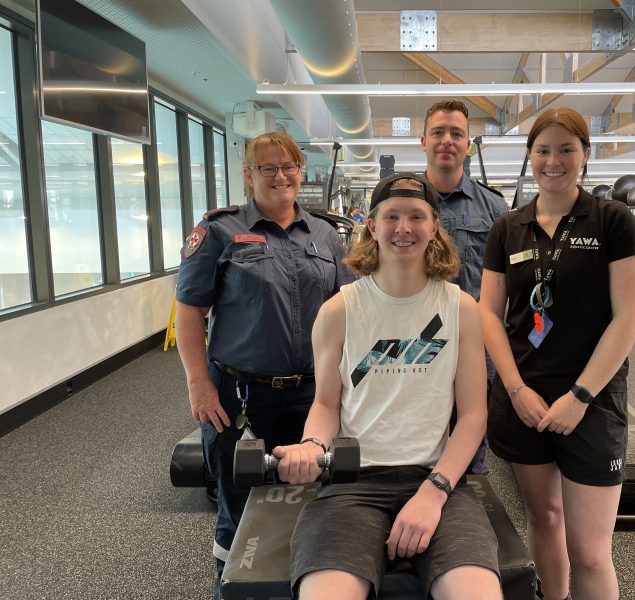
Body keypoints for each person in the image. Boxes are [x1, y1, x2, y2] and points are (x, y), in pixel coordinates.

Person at [273, 172, 503, 600]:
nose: (403, 228)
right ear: (372, 225)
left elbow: (473, 416)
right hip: (352, 485)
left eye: (416, 216)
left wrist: (433, 494)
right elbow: (325, 405)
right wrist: (311, 446)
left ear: (435, 226)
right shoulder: (339, 310)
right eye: (391, 216)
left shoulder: (461, 308)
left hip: (436, 480)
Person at [174, 131, 353, 599]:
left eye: (289, 166)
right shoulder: (218, 232)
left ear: (300, 172)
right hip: (239, 396)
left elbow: (350, 309)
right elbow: (189, 311)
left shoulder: (325, 235)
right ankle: (230, 588)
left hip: (313, 395)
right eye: (268, 168)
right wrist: (198, 383)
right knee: (239, 505)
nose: (281, 176)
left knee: (311, 497)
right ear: (248, 175)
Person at [478, 108, 635, 600]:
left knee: (591, 552)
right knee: (545, 519)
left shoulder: (612, 220)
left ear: (585, 156)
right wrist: (514, 390)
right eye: (543, 150)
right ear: (530, 157)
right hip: (524, 396)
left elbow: (627, 318)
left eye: (566, 149)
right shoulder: (508, 228)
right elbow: (489, 314)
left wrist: (580, 396)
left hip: (590, 402)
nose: (554, 161)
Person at [421, 98, 508, 475]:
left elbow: (510, 287)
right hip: (415, 342)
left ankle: (468, 523)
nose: (447, 140)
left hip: (475, 346)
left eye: (456, 133)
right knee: (415, 437)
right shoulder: (398, 200)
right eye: (438, 132)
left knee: (472, 443)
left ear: (467, 144)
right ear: (422, 141)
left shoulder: (495, 209)